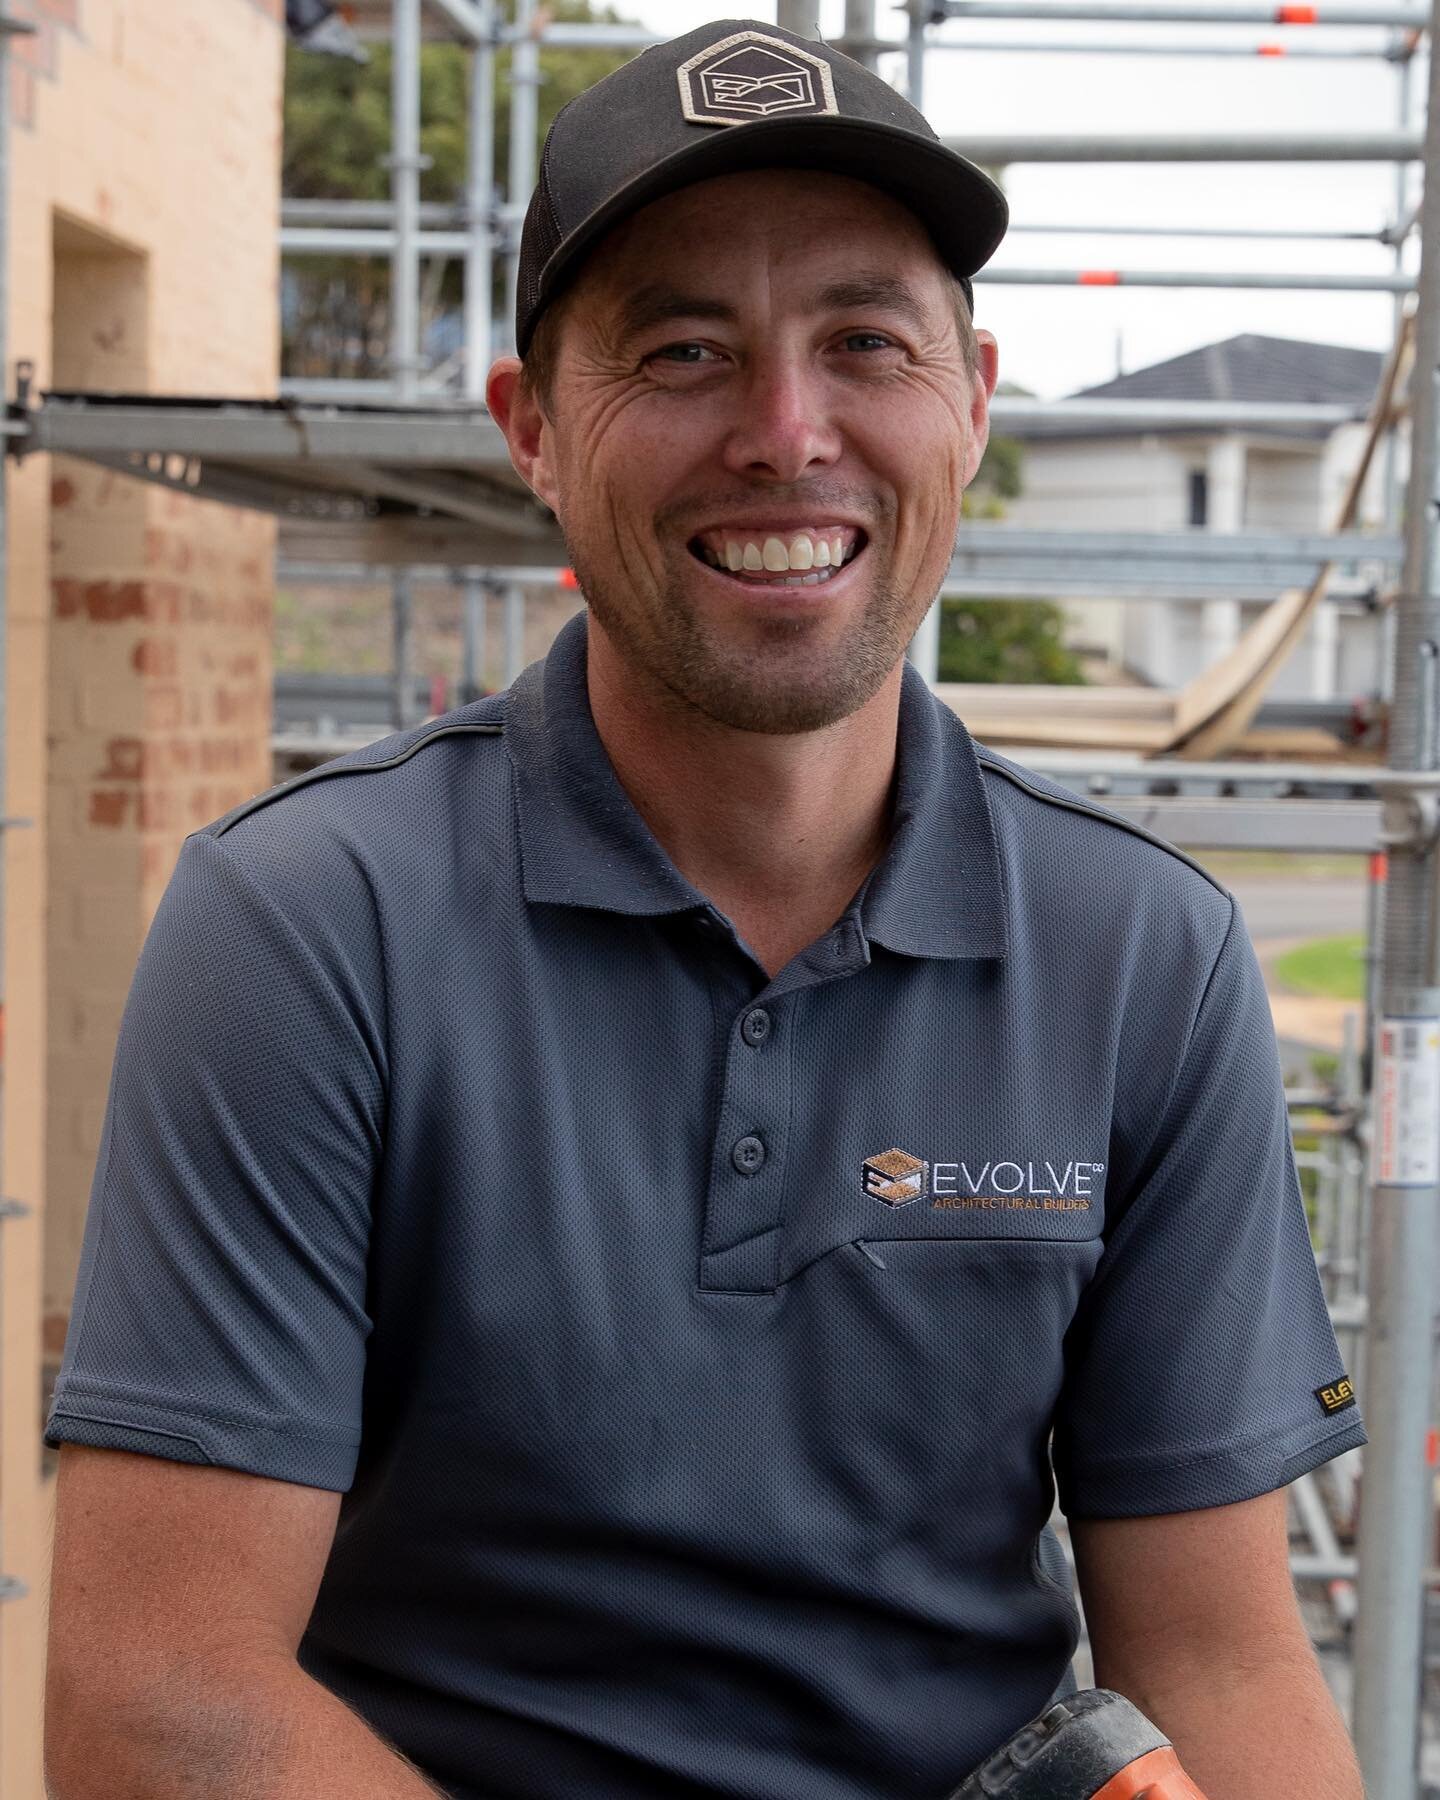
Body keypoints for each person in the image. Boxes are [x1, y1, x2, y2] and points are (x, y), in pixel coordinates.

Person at [44, 19, 1365, 1800]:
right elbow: (160, 1709)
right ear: (530, 431)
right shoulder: (307, 929)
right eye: (682, 348)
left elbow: (1216, 1654)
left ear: (970, 398)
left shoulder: (1144, 960)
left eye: (862, 342)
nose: (785, 432)